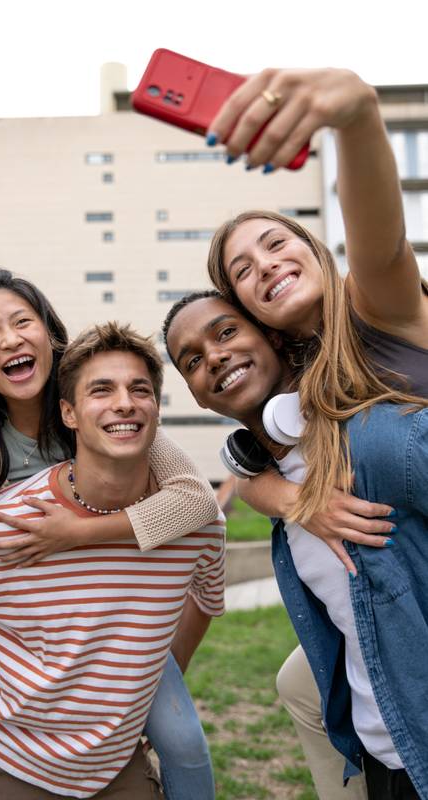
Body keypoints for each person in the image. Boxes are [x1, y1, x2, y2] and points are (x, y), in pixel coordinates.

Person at [0, 269, 220, 800]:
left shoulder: (96, 411)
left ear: (49, 334)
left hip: (94, 614)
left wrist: (79, 532)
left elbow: (195, 501)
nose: (12, 339)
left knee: (186, 745)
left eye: (24, 322)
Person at [201, 67, 428, 798]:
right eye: (242, 271)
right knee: (302, 685)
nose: (264, 265)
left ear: (313, 246)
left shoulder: (377, 305)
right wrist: (283, 496)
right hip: (386, 645)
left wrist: (356, 116)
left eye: (274, 243)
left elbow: (382, 238)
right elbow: (243, 458)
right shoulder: (292, 378)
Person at [163, 289, 428, 799]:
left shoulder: (377, 441)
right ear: (197, 396)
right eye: (193, 359)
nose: (214, 355)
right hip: (381, 755)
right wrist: (289, 499)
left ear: (274, 337)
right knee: (296, 684)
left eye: (226, 332)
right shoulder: (277, 476)